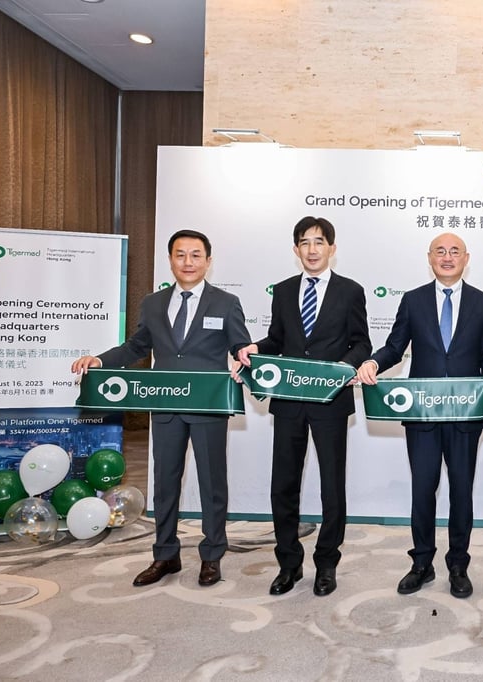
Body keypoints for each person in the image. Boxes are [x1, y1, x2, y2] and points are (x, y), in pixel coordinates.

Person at [71, 229, 252, 587]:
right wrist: (100, 360)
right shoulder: (153, 303)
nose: (188, 261)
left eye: (196, 255)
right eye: (181, 254)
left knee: (212, 482)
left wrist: (246, 357)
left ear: (208, 261)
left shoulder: (226, 302)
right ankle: (165, 554)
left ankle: (212, 555)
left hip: (207, 406)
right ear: (170, 260)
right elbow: (137, 346)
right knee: (165, 482)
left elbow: (240, 344)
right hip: (165, 405)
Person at [355, 233, 483, 598]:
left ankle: (458, 564)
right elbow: (395, 346)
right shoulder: (414, 300)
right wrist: (373, 362)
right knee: (423, 490)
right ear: (429, 258)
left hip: (466, 414)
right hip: (423, 414)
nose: (447, 257)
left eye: (454, 252)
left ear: (466, 258)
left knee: (462, 492)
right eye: (440, 251)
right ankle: (421, 563)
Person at [235, 216, 371, 597]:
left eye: (319, 242)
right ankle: (288, 564)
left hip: (330, 402)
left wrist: (345, 367)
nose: (312, 249)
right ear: (296, 250)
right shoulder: (282, 290)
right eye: (305, 243)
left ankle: (326, 564)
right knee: (284, 486)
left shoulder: (351, 291)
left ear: (332, 247)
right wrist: (255, 349)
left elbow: (362, 343)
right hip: (289, 403)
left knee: (332, 488)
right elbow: (277, 338)